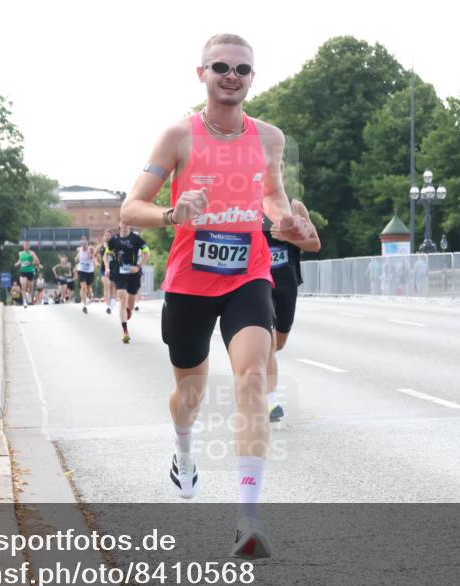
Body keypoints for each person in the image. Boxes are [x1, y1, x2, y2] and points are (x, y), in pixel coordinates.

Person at [119, 33, 314, 559]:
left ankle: (247, 519)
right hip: (189, 280)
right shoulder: (178, 137)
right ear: (201, 73)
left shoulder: (269, 138)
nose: (232, 76)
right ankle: (184, 454)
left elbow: (270, 197)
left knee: (253, 377)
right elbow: (130, 208)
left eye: (242, 69)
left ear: (253, 77)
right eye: (221, 67)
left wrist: (285, 221)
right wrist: (171, 213)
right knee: (191, 396)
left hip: (248, 273)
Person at [263, 201, 321, 422]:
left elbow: (315, 244)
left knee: (278, 343)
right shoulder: (248, 205)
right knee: (267, 343)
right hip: (259, 283)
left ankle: (257, 369)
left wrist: (288, 238)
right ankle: (271, 400)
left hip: (286, 283)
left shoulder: (295, 208)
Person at [105, 222, 148, 343]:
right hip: (119, 273)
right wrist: (107, 267)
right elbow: (106, 255)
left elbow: (146, 253)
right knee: (122, 298)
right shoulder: (114, 240)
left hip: (133, 274)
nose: (124, 227)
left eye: (126, 224)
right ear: (119, 226)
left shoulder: (136, 239)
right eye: (122, 224)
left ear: (129, 226)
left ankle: (128, 310)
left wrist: (139, 267)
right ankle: (125, 332)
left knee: (131, 305)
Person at [96, 228, 117, 314]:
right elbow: (94, 255)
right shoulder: (100, 247)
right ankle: (108, 306)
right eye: (106, 235)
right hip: (103, 269)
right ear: (103, 237)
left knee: (112, 287)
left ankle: (111, 304)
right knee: (107, 285)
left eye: (109, 236)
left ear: (111, 237)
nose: (107, 237)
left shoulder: (115, 246)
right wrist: (96, 262)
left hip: (113, 268)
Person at [15, 241, 41, 308]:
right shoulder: (20, 253)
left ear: (29, 246)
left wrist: (31, 262)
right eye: (25, 245)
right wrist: (17, 263)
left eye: (27, 245)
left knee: (30, 288)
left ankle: (29, 295)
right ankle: (24, 302)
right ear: (23, 246)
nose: (26, 246)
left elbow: (37, 261)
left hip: (30, 271)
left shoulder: (32, 253)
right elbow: (20, 261)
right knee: (23, 286)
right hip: (23, 271)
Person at [76, 237, 96, 314]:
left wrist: (91, 254)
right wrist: (77, 258)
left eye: (85, 244)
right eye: (82, 244)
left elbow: (93, 258)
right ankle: (84, 305)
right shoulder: (79, 249)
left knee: (88, 288)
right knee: (83, 287)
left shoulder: (91, 249)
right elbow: (78, 257)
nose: (83, 245)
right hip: (81, 271)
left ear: (87, 243)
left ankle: (90, 295)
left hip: (90, 271)